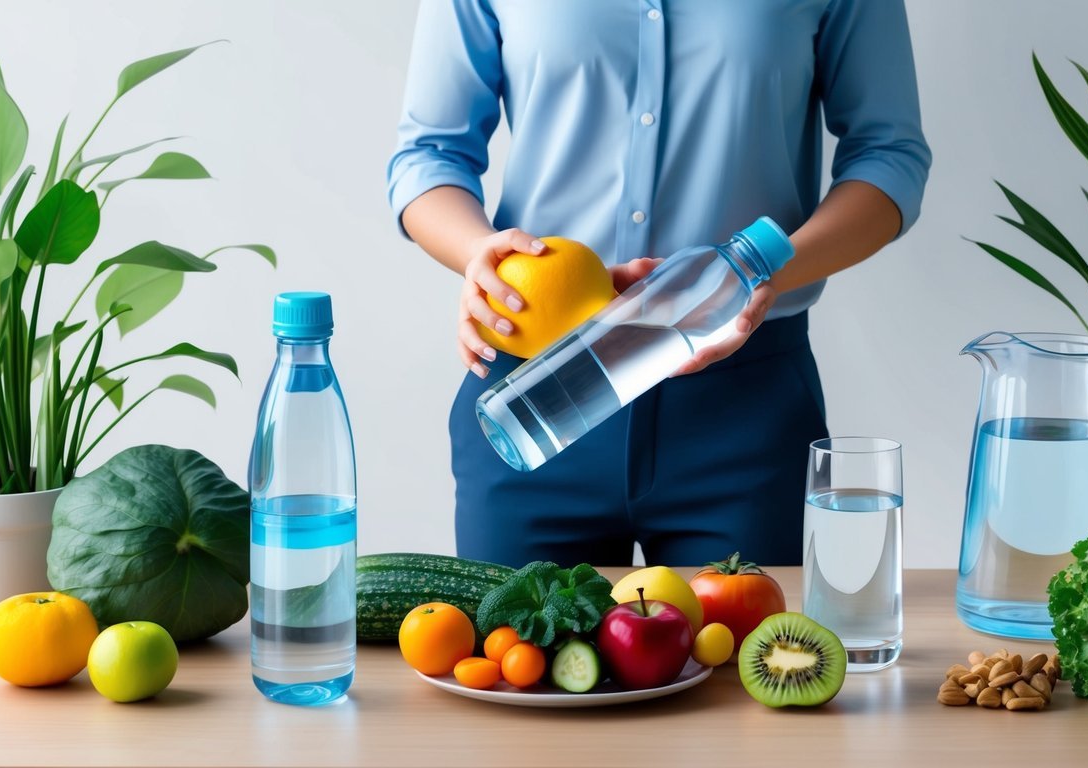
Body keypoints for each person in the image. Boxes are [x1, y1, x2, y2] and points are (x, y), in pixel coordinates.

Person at [387, 0, 931, 568]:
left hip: (744, 411)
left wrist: (759, 272)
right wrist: (479, 251)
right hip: (533, 390)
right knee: (516, 654)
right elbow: (429, 154)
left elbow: (889, 154)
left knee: (751, 657)